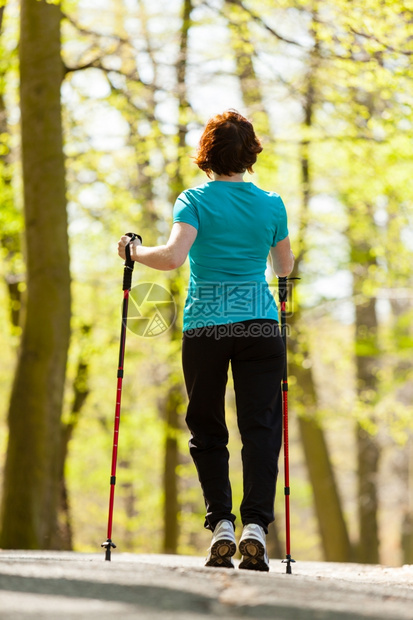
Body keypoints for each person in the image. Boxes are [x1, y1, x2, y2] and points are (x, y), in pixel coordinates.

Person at [118, 109, 294, 571]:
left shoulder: (193, 199)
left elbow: (173, 258)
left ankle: (221, 523)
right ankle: (256, 526)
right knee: (260, 429)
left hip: (207, 327)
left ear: (207, 154)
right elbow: (285, 268)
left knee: (207, 428)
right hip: (260, 326)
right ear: (250, 153)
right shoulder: (272, 203)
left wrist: (132, 250)